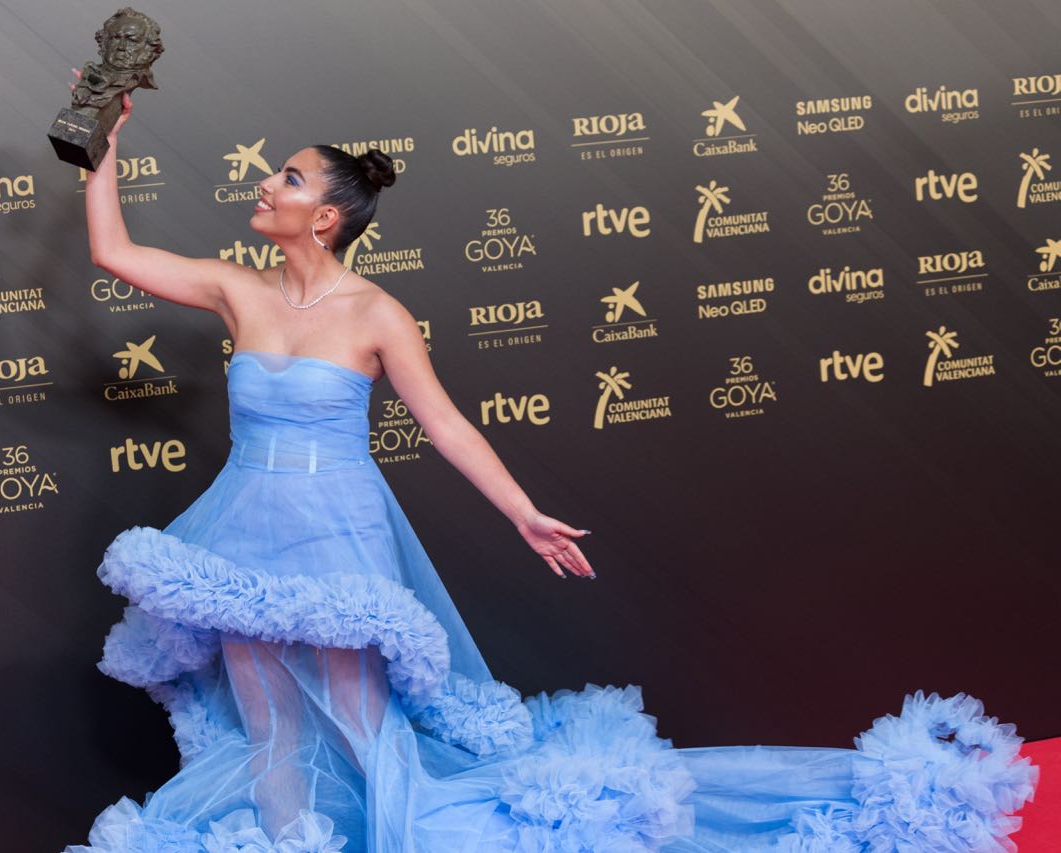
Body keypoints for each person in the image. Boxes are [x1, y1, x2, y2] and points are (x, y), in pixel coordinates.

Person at [63, 82, 1038, 853]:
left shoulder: (376, 315)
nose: (265, 185)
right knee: (269, 722)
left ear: (324, 217)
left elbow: (447, 426)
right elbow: (111, 250)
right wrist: (103, 139)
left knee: (363, 727)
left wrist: (523, 512)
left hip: (337, 531)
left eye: (287, 179)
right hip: (244, 525)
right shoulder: (234, 289)